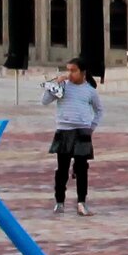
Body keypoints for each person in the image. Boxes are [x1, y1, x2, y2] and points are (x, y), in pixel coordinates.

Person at [43, 58, 104, 215]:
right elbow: (44, 101)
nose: (69, 73)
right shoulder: (62, 87)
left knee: (82, 168)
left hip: (82, 131)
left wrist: (91, 127)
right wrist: (55, 84)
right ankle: (59, 202)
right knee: (62, 169)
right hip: (64, 130)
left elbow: (99, 110)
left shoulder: (89, 90)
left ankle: (81, 202)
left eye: (73, 70)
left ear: (82, 72)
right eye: (68, 70)